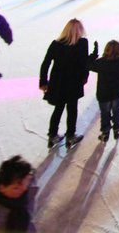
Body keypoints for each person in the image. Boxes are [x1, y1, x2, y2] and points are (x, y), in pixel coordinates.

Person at [39, 18, 90, 149]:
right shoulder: (82, 43)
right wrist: (85, 77)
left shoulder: (56, 44)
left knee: (58, 108)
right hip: (74, 81)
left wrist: (43, 82)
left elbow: (45, 64)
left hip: (58, 82)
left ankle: (52, 135)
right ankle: (71, 136)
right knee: (72, 109)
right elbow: (84, 63)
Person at [87, 35, 119, 142]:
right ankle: (117, 129)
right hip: (117, 92)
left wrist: (94, 53)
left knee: (105, 113)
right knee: (117, 110)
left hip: (103, 94)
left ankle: (105, 132)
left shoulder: (100, 63)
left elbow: (88, 64)